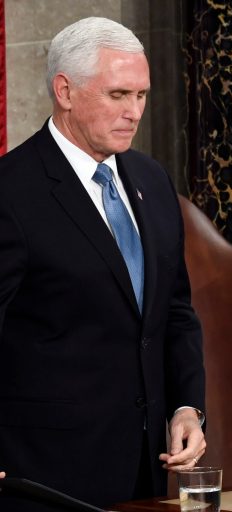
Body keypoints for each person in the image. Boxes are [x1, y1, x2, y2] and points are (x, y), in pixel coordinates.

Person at [0, 17, 206, 511]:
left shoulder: (152, 181)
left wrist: (187, 406)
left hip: (145, 471)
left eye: (141, 95)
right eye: (118, 95)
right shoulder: (11, 192)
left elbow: (174, 312)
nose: (134, 112)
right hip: (43, 479)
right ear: (65, 91)